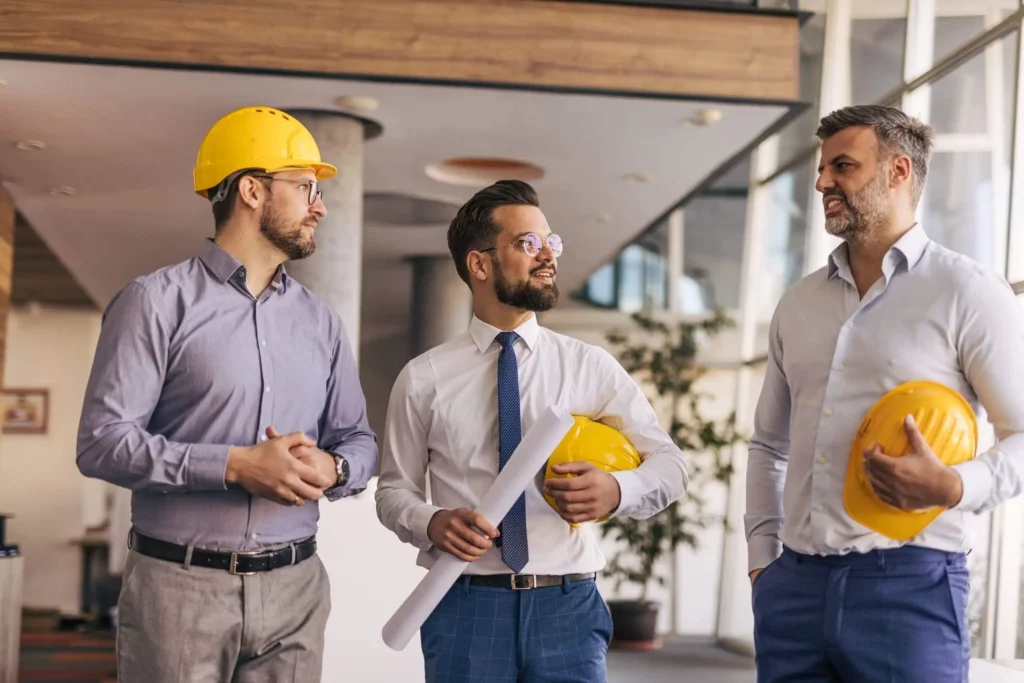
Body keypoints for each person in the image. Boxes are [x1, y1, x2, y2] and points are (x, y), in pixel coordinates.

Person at [76, 106, 377, 682]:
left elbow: (359, 441)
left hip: (297, 589)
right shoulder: (154, 302)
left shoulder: (321, 322)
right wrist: (235, 466)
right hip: (178, 591)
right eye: (305, 187)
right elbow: (102, 444)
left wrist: (333, 466)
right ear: (251, 190)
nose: (320, 205)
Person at [745, 103, 1024, 682]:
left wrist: (954, 485)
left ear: (899, 172)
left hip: (911, 587)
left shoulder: (968, 292)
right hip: (793, 587)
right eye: (822, 169)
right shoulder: (798, 303)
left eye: (842, 166)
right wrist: (762, 563)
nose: (822, 181)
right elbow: (769, 444)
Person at [375, 179, 689, 682]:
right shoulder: (423, 378)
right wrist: (432, 522)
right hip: (463, 606)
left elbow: (672, 467)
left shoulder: (591, 366)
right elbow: (393, 491)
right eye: (528, 244)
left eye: (551, 242)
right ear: (479, 264)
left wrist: (615, 490)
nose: (548, 256)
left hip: (568, 605)